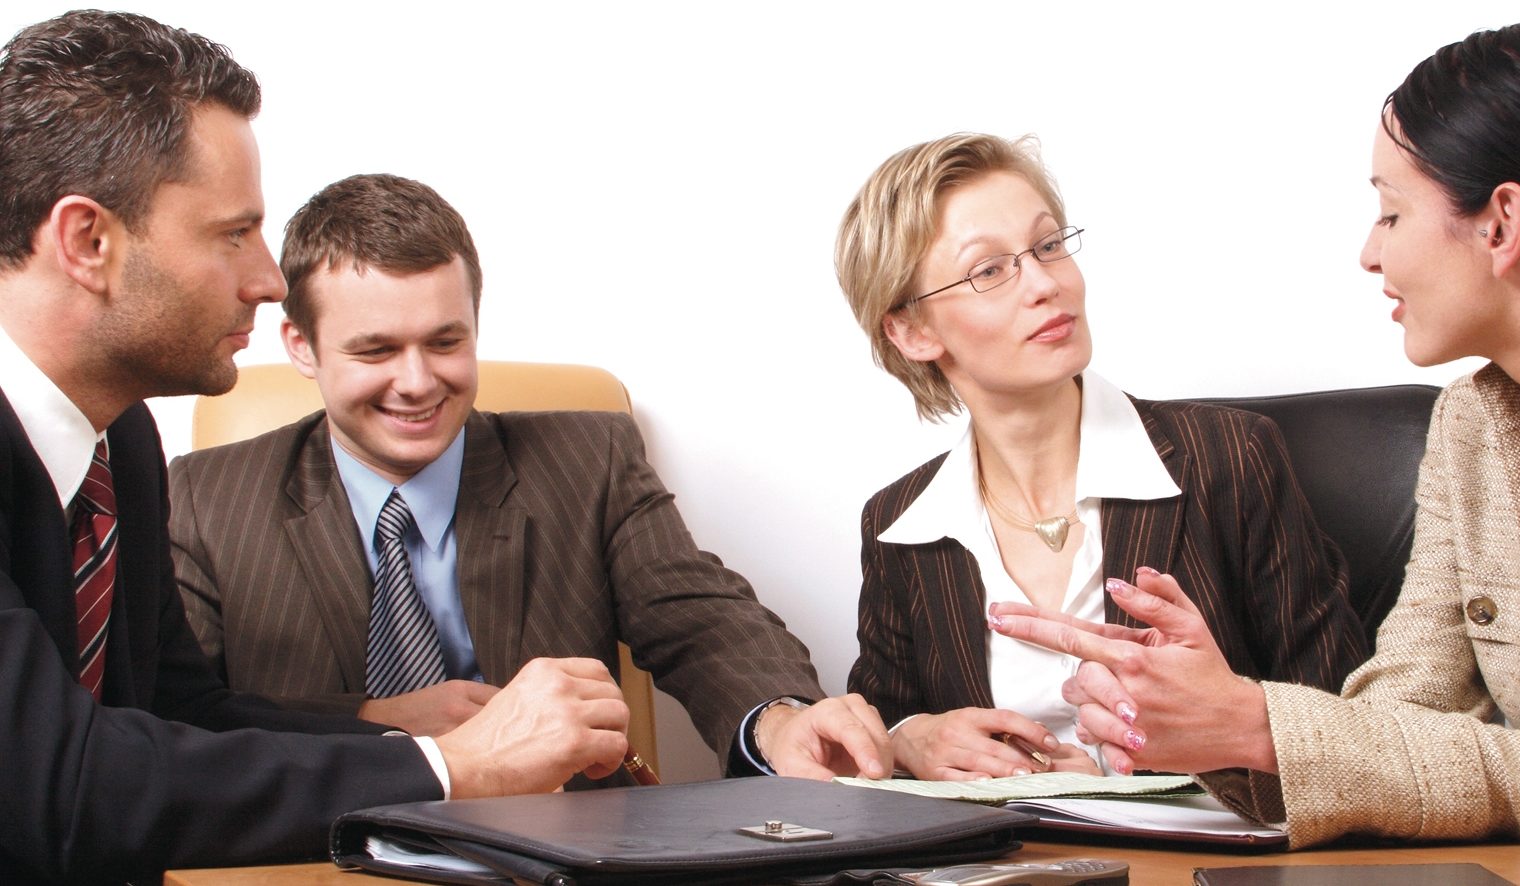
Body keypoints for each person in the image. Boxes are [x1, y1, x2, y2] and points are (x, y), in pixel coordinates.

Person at [990, 19, 1520, 856]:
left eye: (1391, 213)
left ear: (1502, 223)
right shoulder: (1475, 420)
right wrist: (1216, 727)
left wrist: (1262, 726)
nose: (1369, 251)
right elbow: (1404, 713)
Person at [0, 12, 635, 882]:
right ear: (88, 241)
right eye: (233, 234)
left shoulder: (122, 443)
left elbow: (186, 713)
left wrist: (427, 733)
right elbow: (56, 788)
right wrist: (458, 768)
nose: (266, 280)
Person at [169, 172, 890, 781]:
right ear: (302, 345)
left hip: (558, 850)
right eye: (377, 350)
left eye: (445, 341)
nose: (417, 382)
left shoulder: (588, 460)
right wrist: (374, 723)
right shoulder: (203, 500)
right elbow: (173, 719)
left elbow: (703, 620)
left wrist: (779, 720)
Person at [832, 134, 1369, 780]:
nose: (1045, 284)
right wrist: (909, 738)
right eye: (989, 270)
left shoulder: (1229, 458)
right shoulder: (900, 525)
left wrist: (1125, 778)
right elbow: (871, 752)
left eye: (1049, 246)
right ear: (913, 331)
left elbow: (1352, 731)